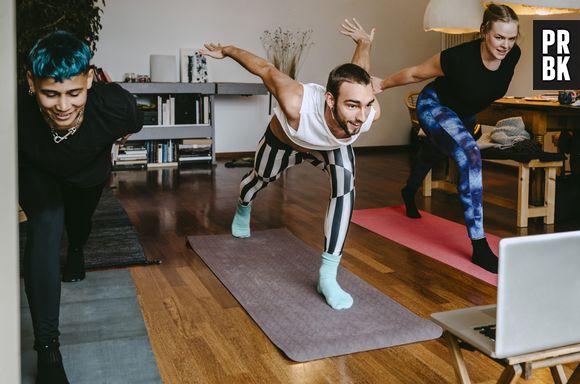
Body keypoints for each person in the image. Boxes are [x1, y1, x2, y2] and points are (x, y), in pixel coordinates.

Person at [200, 18, 381, 310]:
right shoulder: (295, 101)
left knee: (346, 189)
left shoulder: (366, 112)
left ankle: (328, 274)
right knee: (259, 180)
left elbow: (362, 78)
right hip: (285, 141)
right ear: (330, 100)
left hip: (330, 149)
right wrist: (229, 49)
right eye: (352, 106)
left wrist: (364, 44)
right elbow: (264, 69)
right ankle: (243, 206)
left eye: (366, 105)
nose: (361, 117)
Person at [19, 31, 143, 383]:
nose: (63, 106)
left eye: (74, 93)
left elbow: (133, 126)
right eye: (50, 93)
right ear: (31, 82)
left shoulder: (117, 106)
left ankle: (75, 249)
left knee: (78, 223)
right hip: (38, 171)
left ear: (89, 79)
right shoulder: (14, 107)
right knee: (46, 223)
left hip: (87, 173)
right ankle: (47, 352)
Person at [373, 4, 520, 274]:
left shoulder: (513, 56)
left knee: (434, 151)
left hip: (464, 115)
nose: (505, 45)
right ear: (484, 31)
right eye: (499, 37)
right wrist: (381, 85)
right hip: (434, 106)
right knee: (470, 155)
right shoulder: (458, 57)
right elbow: (417, 73)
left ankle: (409, 189)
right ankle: (479, 246)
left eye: (511, 38)